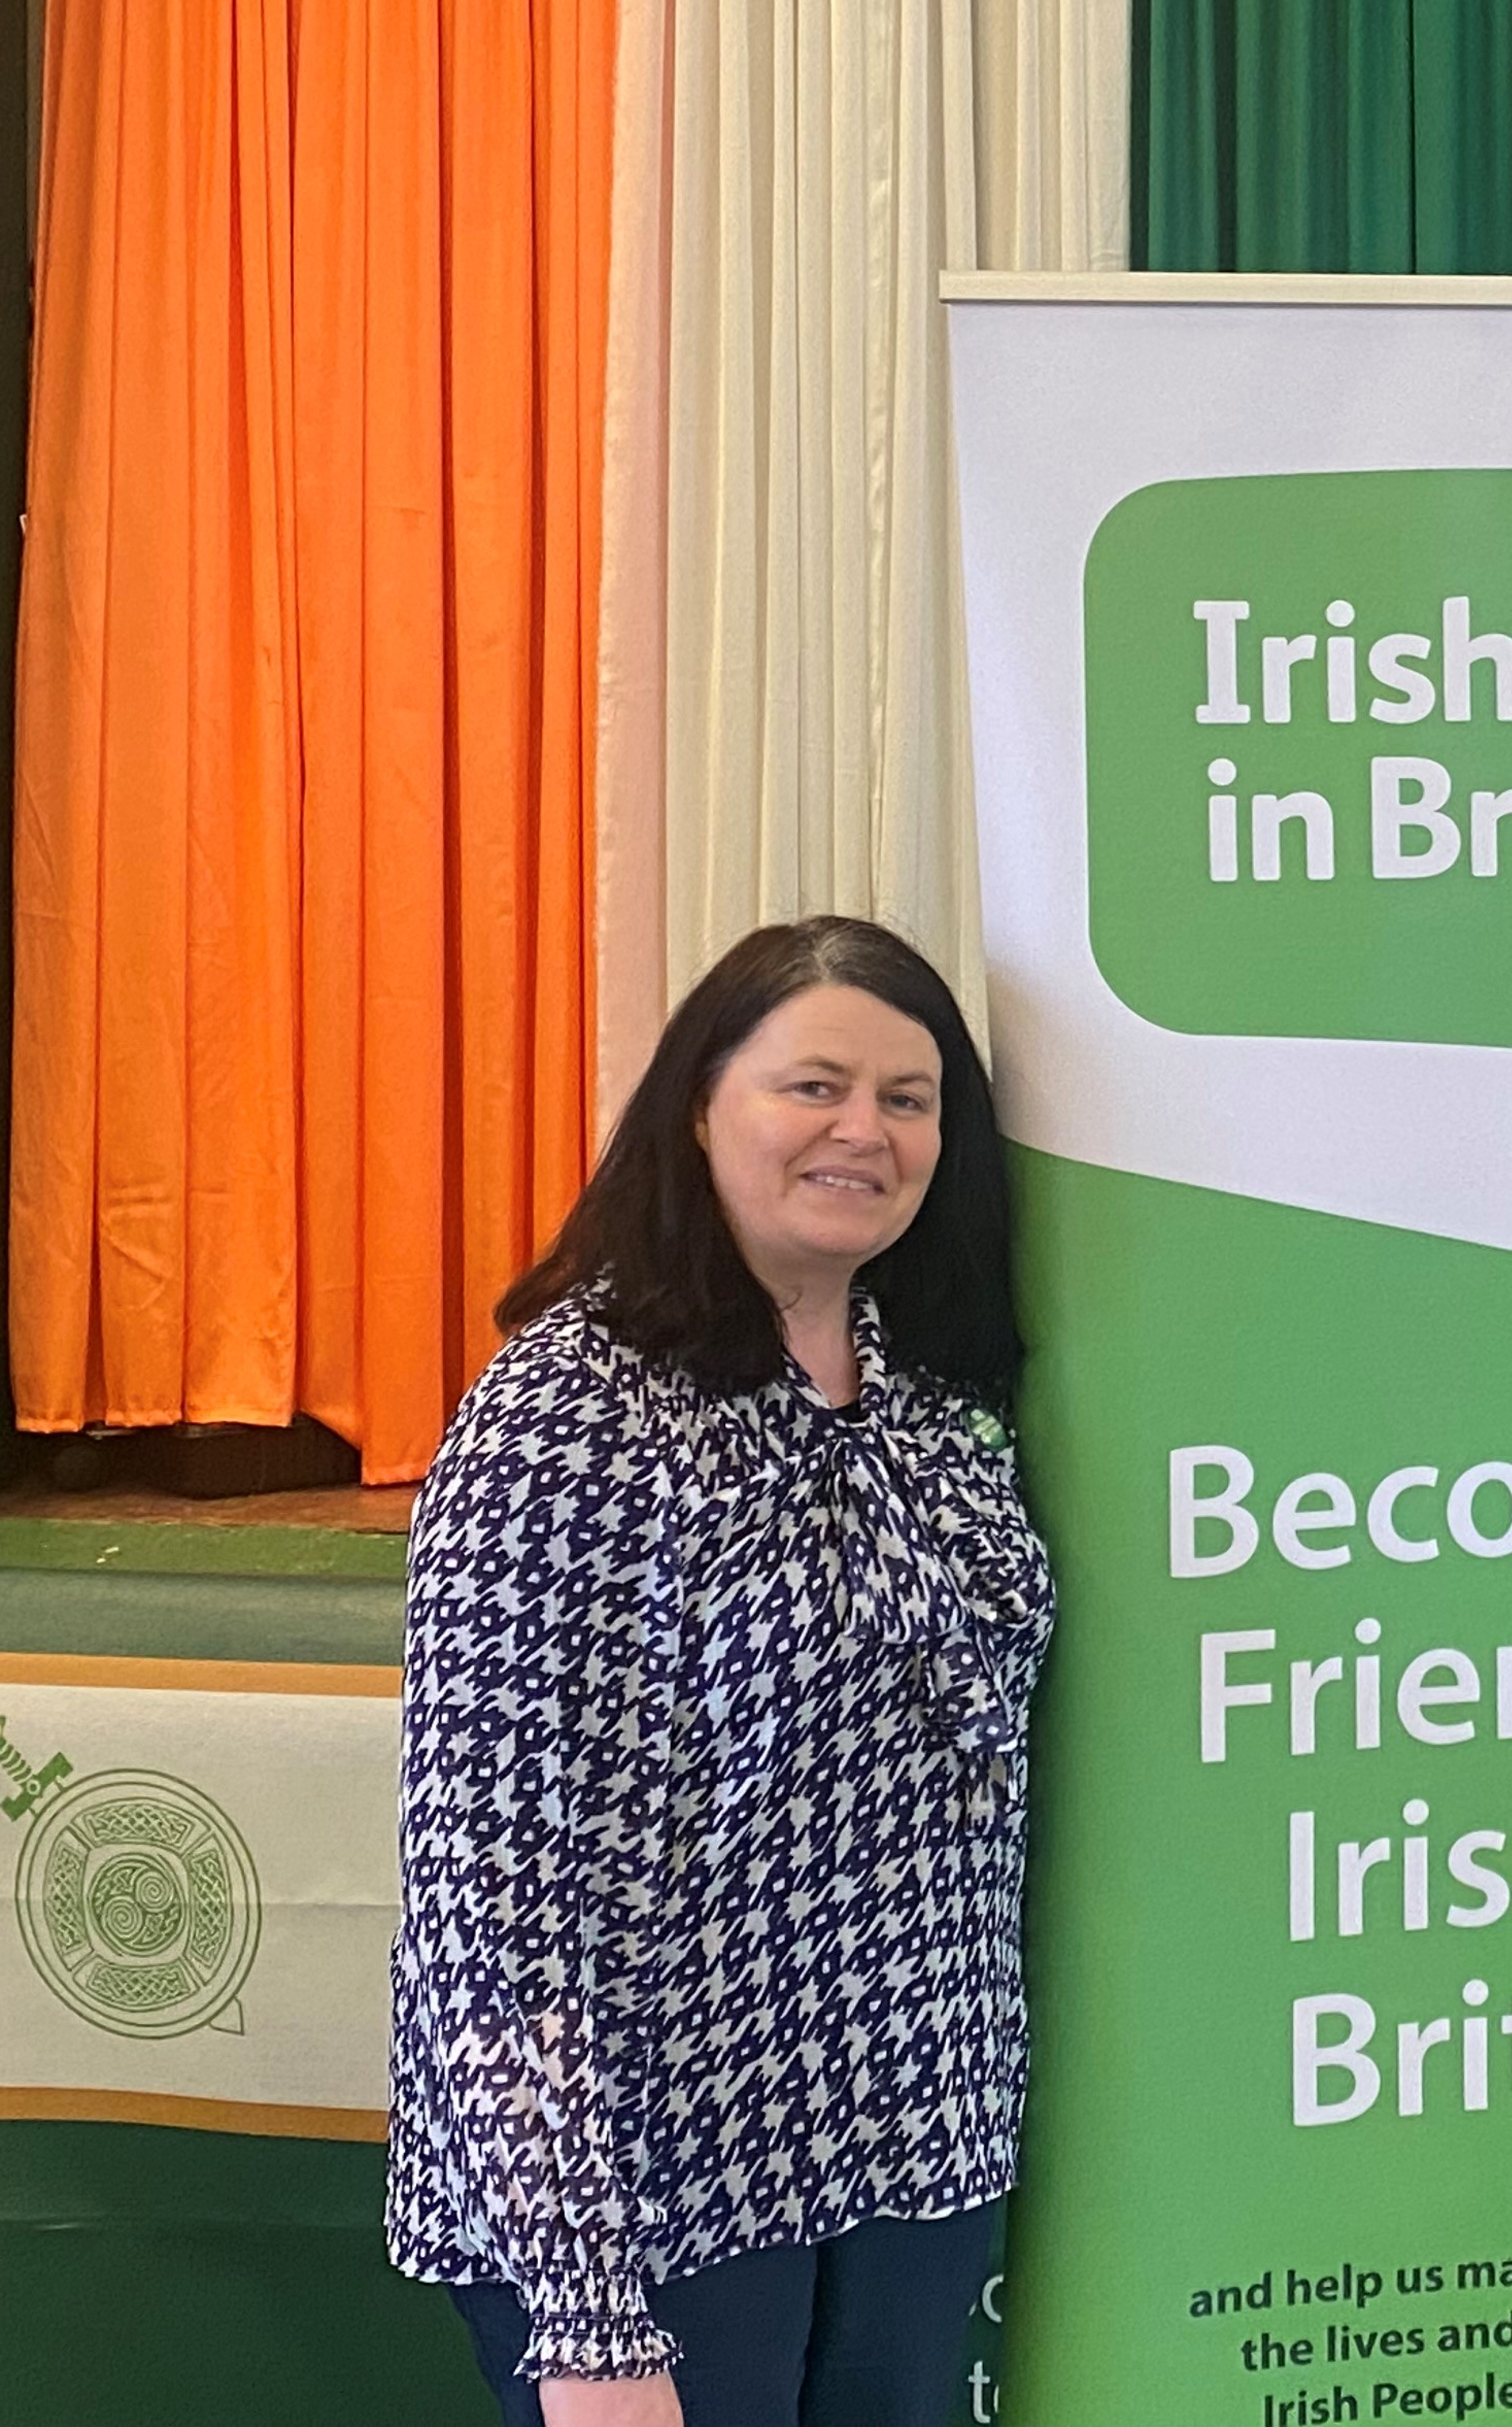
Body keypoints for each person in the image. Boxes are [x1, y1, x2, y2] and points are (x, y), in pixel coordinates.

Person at [389, 917, 1056, 2427]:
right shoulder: (568, 1416)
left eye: (909, 1097)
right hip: (654, 2192)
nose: (862, 1133)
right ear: (701, 1103)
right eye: (812, 1084)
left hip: (913, 2164)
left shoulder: (938, 1395)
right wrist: (587, 2315)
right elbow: (493, 1906)